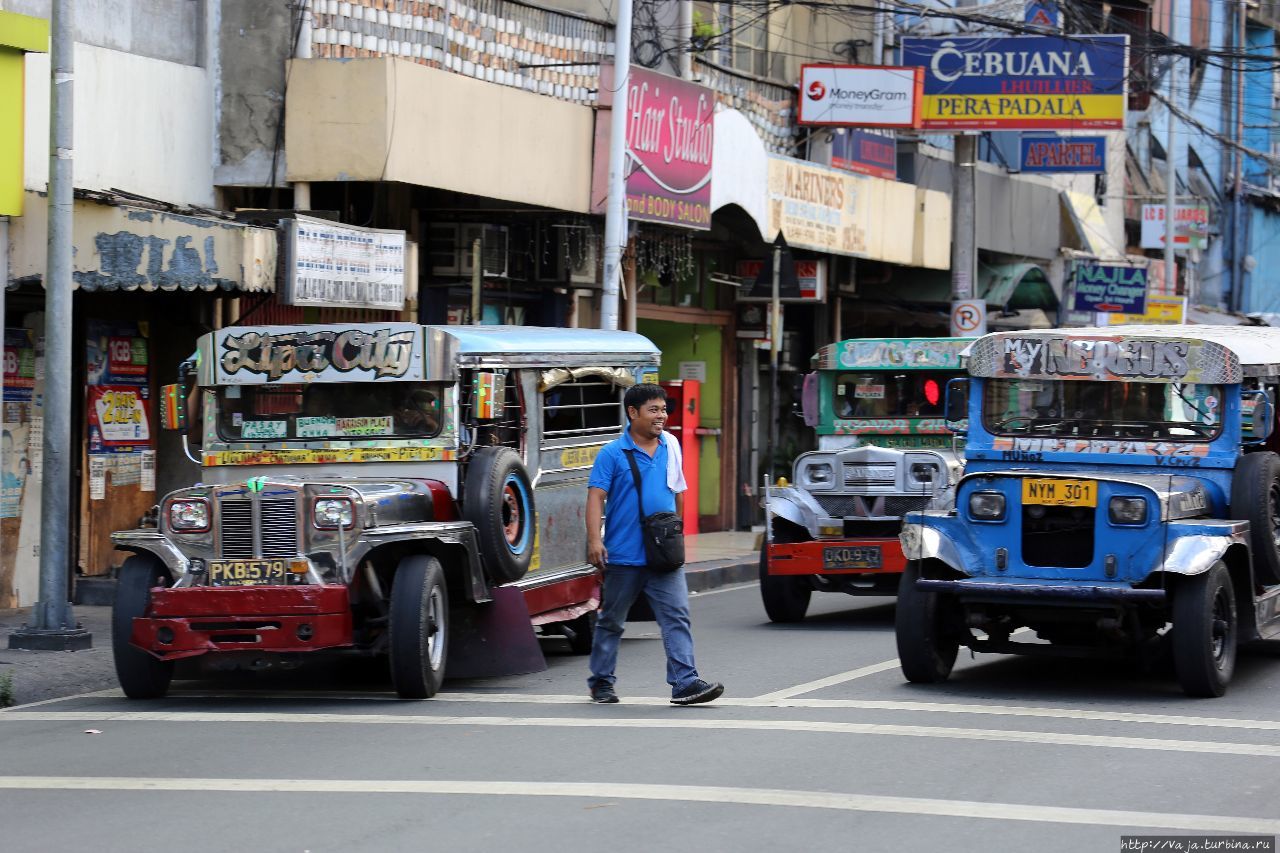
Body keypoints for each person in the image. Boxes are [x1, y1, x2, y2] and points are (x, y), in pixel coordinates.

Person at [584, 384, 724, 706]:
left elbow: (679, 491)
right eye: (654, 410)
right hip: (623, 555)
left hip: (663, 555)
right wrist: (595, 540)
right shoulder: (611, 454)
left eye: (663, 409)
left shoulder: (671, 446)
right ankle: (601, 681)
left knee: (676, 616)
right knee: (612, 621)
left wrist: (677, 534)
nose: (661, 416)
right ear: (633, 413)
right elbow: (595, 498)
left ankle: (685, 682)